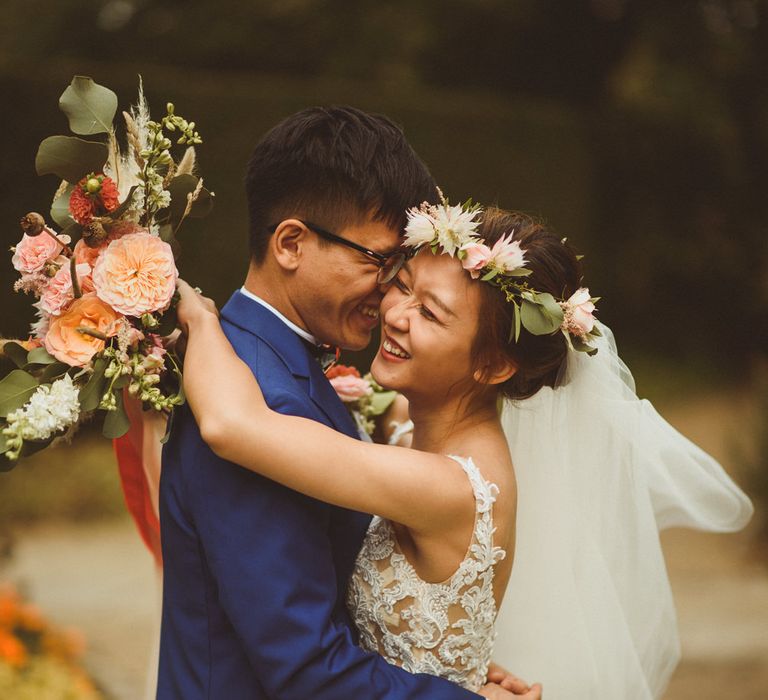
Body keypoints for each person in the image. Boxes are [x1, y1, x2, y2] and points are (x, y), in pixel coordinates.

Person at [176, 199, 754, 698]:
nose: (395, 315)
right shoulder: (411, 424)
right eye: (402, 285)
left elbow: (233, 426)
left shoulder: (450, 487)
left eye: (430, 313)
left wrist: (201, 325)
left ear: (493, 363)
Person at [157, 108, 539, 700]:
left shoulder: (261, 367)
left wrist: (443, 666)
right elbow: (305, 665)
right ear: (291, 243)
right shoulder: (256, 391)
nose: (390, 295)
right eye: (382, 262)